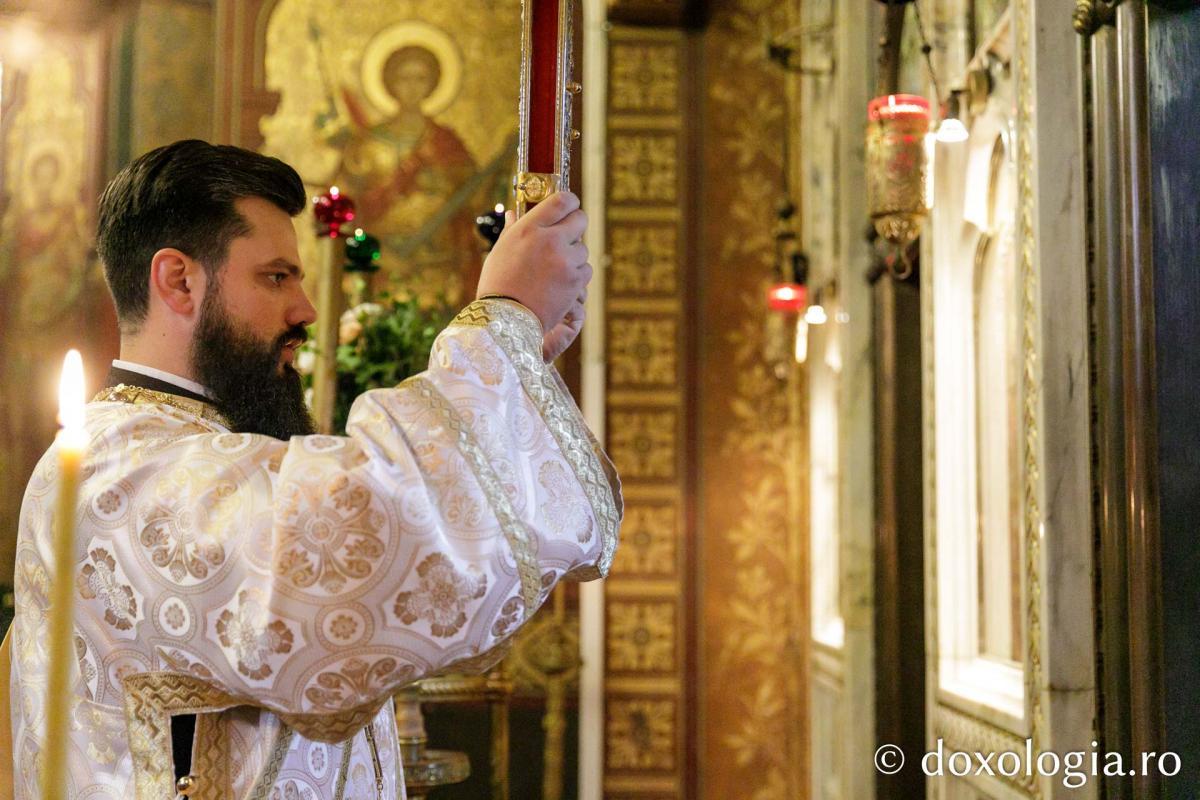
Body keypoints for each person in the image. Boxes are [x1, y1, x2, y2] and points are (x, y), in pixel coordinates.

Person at [10, 139, 620, 799]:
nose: (304, 309)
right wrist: (501, 327)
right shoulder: (116, 468)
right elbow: (347, 553)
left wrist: (513, 379)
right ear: (179, 280)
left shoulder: (197, 446)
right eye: (276, 277)